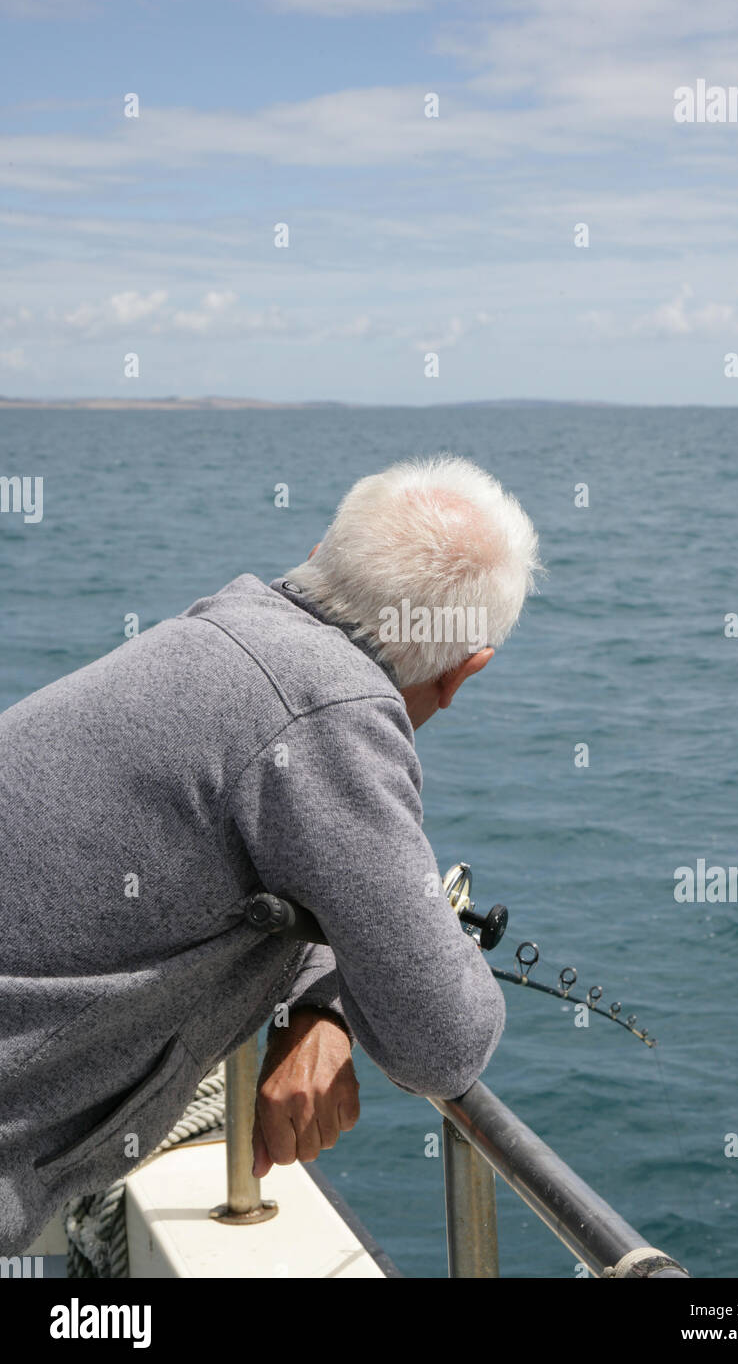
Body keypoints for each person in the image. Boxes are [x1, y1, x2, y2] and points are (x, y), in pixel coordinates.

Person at [0, 453, 542, 1255]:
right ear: (466, 673)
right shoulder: (331, 708)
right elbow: (443, 1040)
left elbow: (277, 866)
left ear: (323, 555)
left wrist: (326, 1003)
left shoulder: (230, 629)